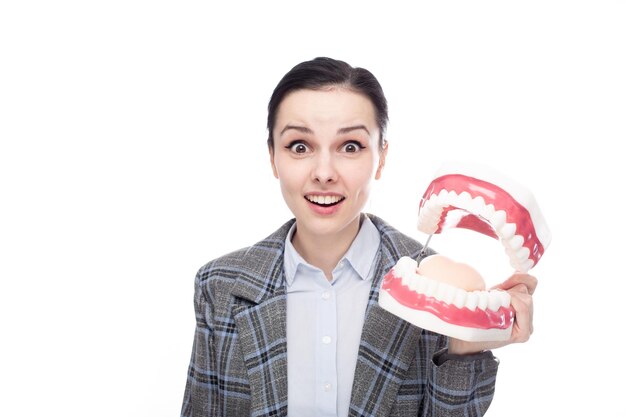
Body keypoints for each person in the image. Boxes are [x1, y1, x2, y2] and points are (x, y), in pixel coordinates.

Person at [180, 57, 536, 417]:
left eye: (350, 146)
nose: (324, 173)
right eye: (299, 146)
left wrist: (466, 346)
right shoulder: (219, 285)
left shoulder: (440, 291)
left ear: (381, 157)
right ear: (272, 156)